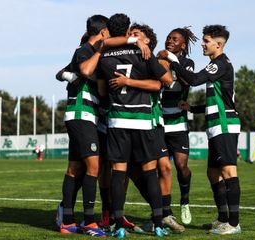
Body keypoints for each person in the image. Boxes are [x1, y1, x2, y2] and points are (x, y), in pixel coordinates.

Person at [161, 25, 242, 235]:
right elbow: (217, 99)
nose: (203, 45)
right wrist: (193, 108)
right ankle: (222, 218)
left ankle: (233, 223)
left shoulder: (220, 63)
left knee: (228, 172)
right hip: (216, 126)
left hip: (224, 125)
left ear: (218, 44)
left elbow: (194, 79)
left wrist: (172, 59)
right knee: (213, 173)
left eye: (206, 41)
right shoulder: (216, 64)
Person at [98, 13, 171, 238]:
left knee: (118, 174)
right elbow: (165, 81)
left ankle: (118, 226)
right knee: (150, 172)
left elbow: (101, 92)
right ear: (128, 29)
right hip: (142, 121)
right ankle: (159, 224)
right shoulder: (143, 52)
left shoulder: (104, 55)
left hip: (118, 120)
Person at [109, 23, 185, 233]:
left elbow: (163, 81)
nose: (132, 37)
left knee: (163, 167)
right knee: (127, 173)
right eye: (130, 34)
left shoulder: (152, 58)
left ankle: (163, 214)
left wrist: (128, 81)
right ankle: (129, 216)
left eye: (136, 34)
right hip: (132, 122)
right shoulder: (126, 55)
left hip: (151, 122)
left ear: (147, 40)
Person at [56, 14, 109, 237]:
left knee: (75, 168)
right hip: (81, 114)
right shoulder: (86, 50)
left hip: (87, 116)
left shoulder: (89, 53)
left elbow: (61, 73)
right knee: (93, 168)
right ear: (103, 32)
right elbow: (83, 71)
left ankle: (66, 219)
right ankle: (89, 221)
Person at [158, 27, 198, 225]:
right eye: (168, 38)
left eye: (174, 39)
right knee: (163, 168)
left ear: (183, 45)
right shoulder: (159, 59)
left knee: (181, 166)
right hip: (159, 123)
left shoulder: (186, 63)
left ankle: (185, 200)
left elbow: (186, 81)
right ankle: (166, 210)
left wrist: (172, 60)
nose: (169, 41)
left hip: (178, 123)